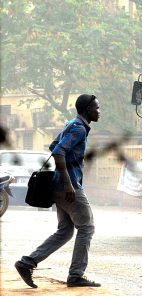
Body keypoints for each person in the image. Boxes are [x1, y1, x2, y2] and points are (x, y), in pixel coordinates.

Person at [15, 94, 101, 288]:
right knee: (87, 227)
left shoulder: (71, 124)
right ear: (87, 109)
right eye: (97, 108)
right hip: (68, 188)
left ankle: (27, 262)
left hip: (59, 186)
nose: (99, 111)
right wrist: (69, 183)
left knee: (65, 231)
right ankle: (76, 275)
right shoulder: (78, 128)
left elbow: (54, 145)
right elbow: (58, 151)